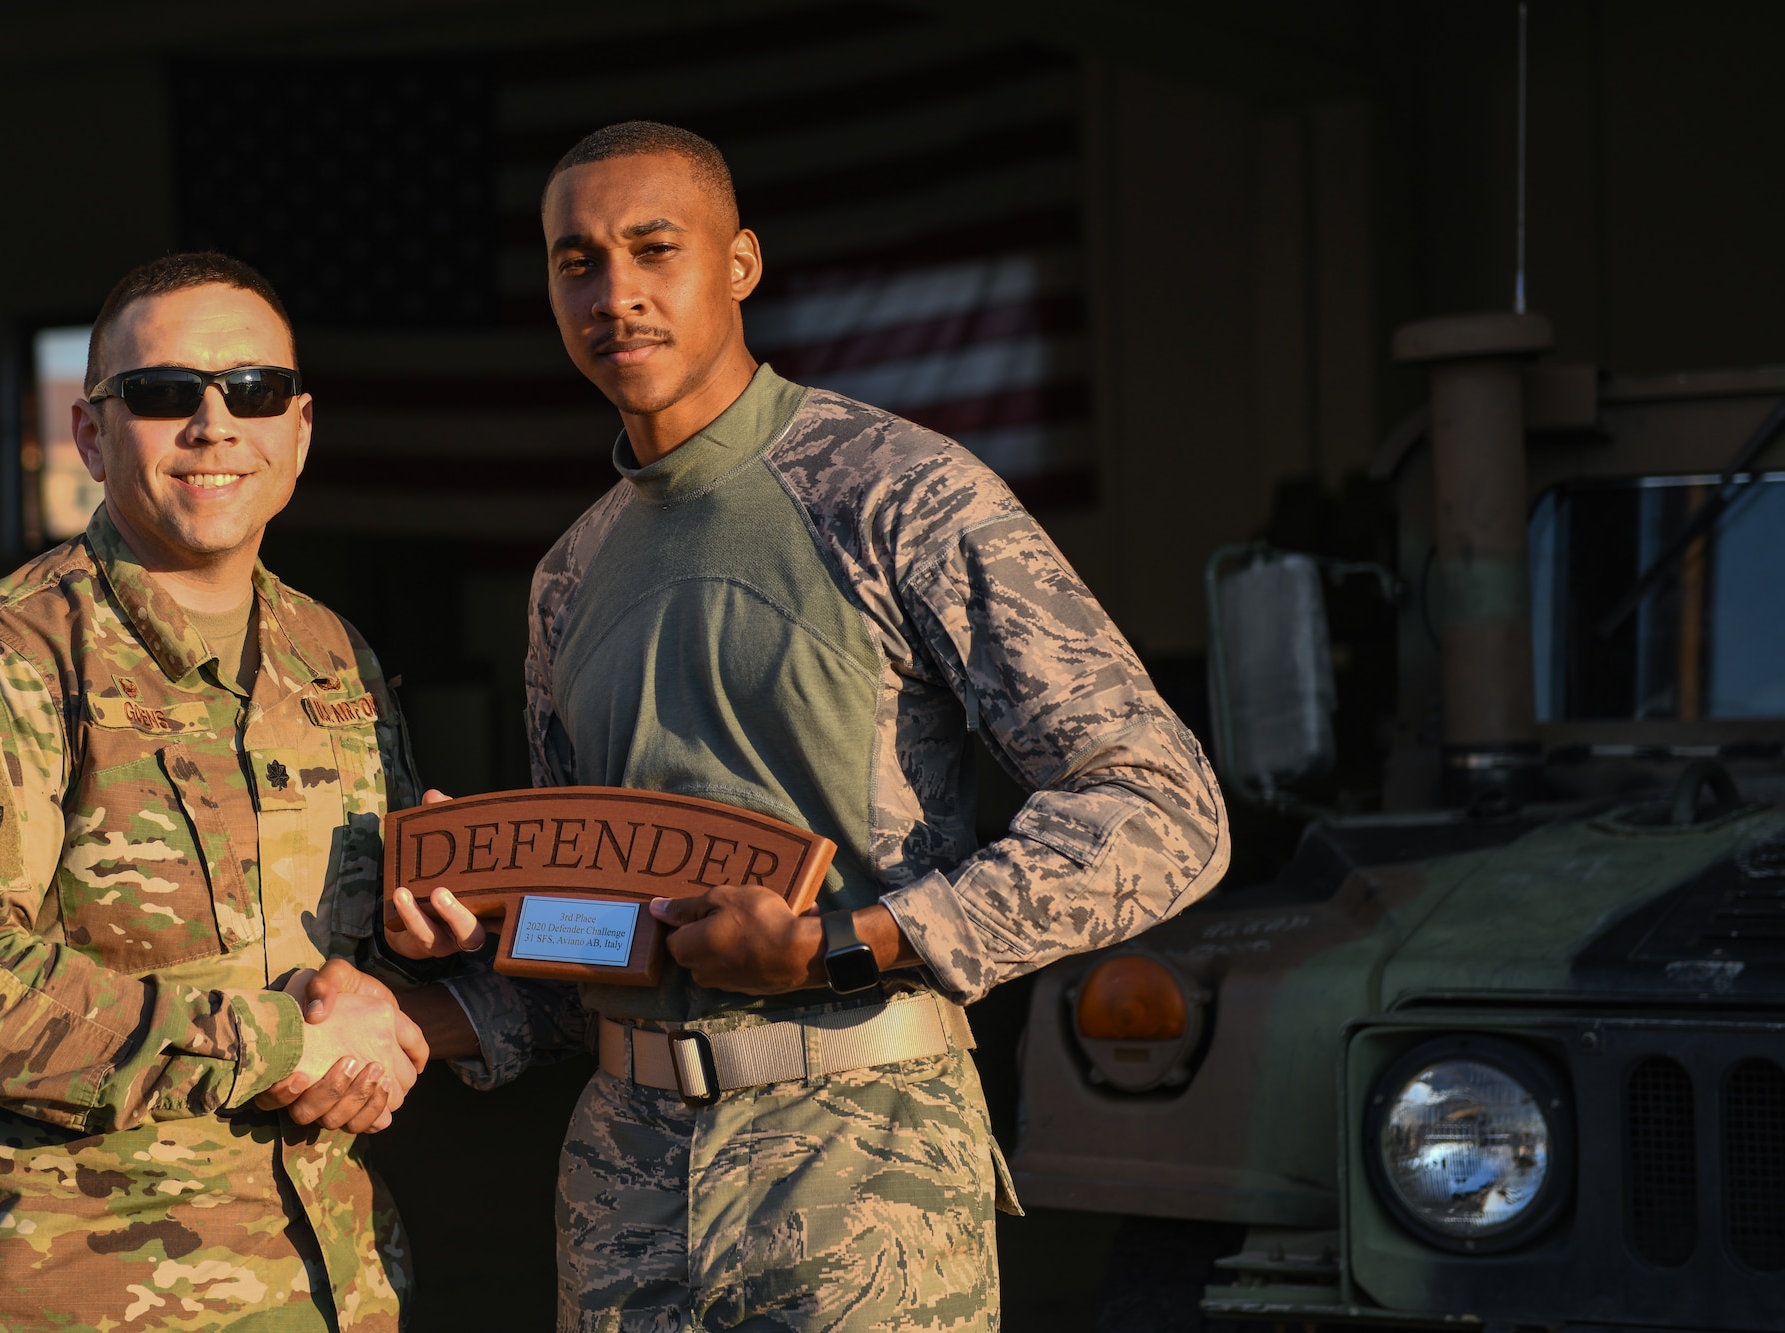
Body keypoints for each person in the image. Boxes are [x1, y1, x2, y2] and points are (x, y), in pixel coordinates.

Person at [369, 121, 1230, 1331]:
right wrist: (458, 954)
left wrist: (849, 942)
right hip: (620, 1184)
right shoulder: (570, 573)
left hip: (860, 1164)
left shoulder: (895, 495)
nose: (614, 293)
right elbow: (600, 943)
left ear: (740, 263)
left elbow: (1160, 811)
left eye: (653, 248)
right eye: (577, 261)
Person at [0, 253, 430, 1331]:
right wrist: (285, 1043)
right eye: (164, 394)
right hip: (74, 1294)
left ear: (298, 429)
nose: (214, 424)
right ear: (91, 434)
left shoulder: (331, 658)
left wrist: (411, 956)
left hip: (330, 1283)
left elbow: (353, 968)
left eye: (253, 392)